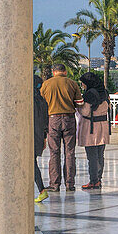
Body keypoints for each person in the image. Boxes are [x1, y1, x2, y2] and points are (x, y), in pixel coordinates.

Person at [40, 63, 82, 192]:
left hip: (53, 119)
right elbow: (80, 103)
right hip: (69, 119)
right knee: (69, 152)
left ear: (53, 72)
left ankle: (54, 184)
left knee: (54, 152)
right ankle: (70, 184)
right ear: (65, 72)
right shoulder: (72, 83)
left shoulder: (46, 84)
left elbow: (41, 101)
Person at [76, 72, 111, 190]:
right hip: (103, 127)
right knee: (100, 155)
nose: (82, 85)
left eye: (83, 83)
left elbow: (85, 112)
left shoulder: (90, 94)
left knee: (92, 156)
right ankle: (98, 180)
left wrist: (77, 106)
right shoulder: (104, 92)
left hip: (91, 129)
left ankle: (93, 181)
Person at [33, 74, 49, 203]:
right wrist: (44, 138)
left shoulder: (30, 100)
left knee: (31, 165)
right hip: (39, 136)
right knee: (32, 163)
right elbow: (45, 121)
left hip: (30, 135)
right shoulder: (42, 100)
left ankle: (42, 190)